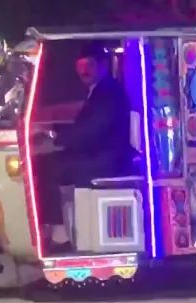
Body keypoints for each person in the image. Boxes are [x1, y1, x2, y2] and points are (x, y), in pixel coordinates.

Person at [35, 43, 137, 253]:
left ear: (103, 65)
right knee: (54, 161)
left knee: (51, 165)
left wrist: (55, 142)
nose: (84, 71)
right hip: (101, 151)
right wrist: (54, 134)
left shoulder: (107, 92)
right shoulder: (101, 90)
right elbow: (85, 127)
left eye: (89, 65)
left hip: (108, 158)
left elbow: (90, 128)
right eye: (80, 66)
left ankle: (59, 232)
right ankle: (62, 225)